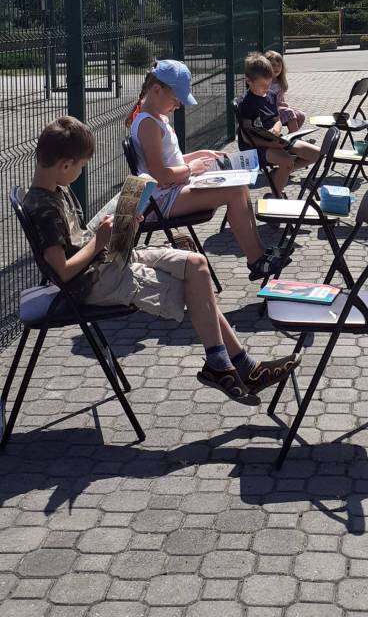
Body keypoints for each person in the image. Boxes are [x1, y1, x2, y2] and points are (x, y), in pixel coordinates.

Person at [23, 117, 301, 404]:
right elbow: (62, 272)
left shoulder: (57, 189)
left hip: (107, 262)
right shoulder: (44, 209)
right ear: (65, 165)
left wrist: (123, 225)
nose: (81, 172)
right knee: (195, 289)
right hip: (94, 283)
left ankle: (233, 365)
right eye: (81, 166)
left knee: (196, 265)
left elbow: (80, 241)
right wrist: (100, 240)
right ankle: (232, 366)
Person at [127, 60, 279, 282]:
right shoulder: (148, 124)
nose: (178, 106)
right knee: (234, 192)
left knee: (240, 185)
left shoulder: (157, 118)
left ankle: (259, 251)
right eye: (176, 99)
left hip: (172, 190)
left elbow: (171, 160)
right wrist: (191, 168)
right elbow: (160, 174)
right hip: (161, 200)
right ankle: (256, 260)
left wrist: (201, 154)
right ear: (157, 90)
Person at [237, 53, 319, 198]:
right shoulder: (246, 103)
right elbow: (247, 138)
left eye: (269, 84)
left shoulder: (271, 95)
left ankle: (279, 172)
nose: (266, 88)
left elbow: (277, 120)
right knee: (286, 161)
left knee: (317, 153)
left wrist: (276, 128)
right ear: (248, 81)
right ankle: (276, 197)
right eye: (262, 86)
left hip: (275, 139)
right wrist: (273, 144)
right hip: (254, 147)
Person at [265, 50, 306, 132]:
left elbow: (281, 98)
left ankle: (291, 135)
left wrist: (283, 103)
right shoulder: (264, 82)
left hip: (279, 108)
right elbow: (264, 101)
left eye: (279, 65)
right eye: (273, 65)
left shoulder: (280, 82)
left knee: (301, 115)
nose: (276, 68)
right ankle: (296, 137)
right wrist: (279, 104)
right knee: (289, 112)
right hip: (269, 110)